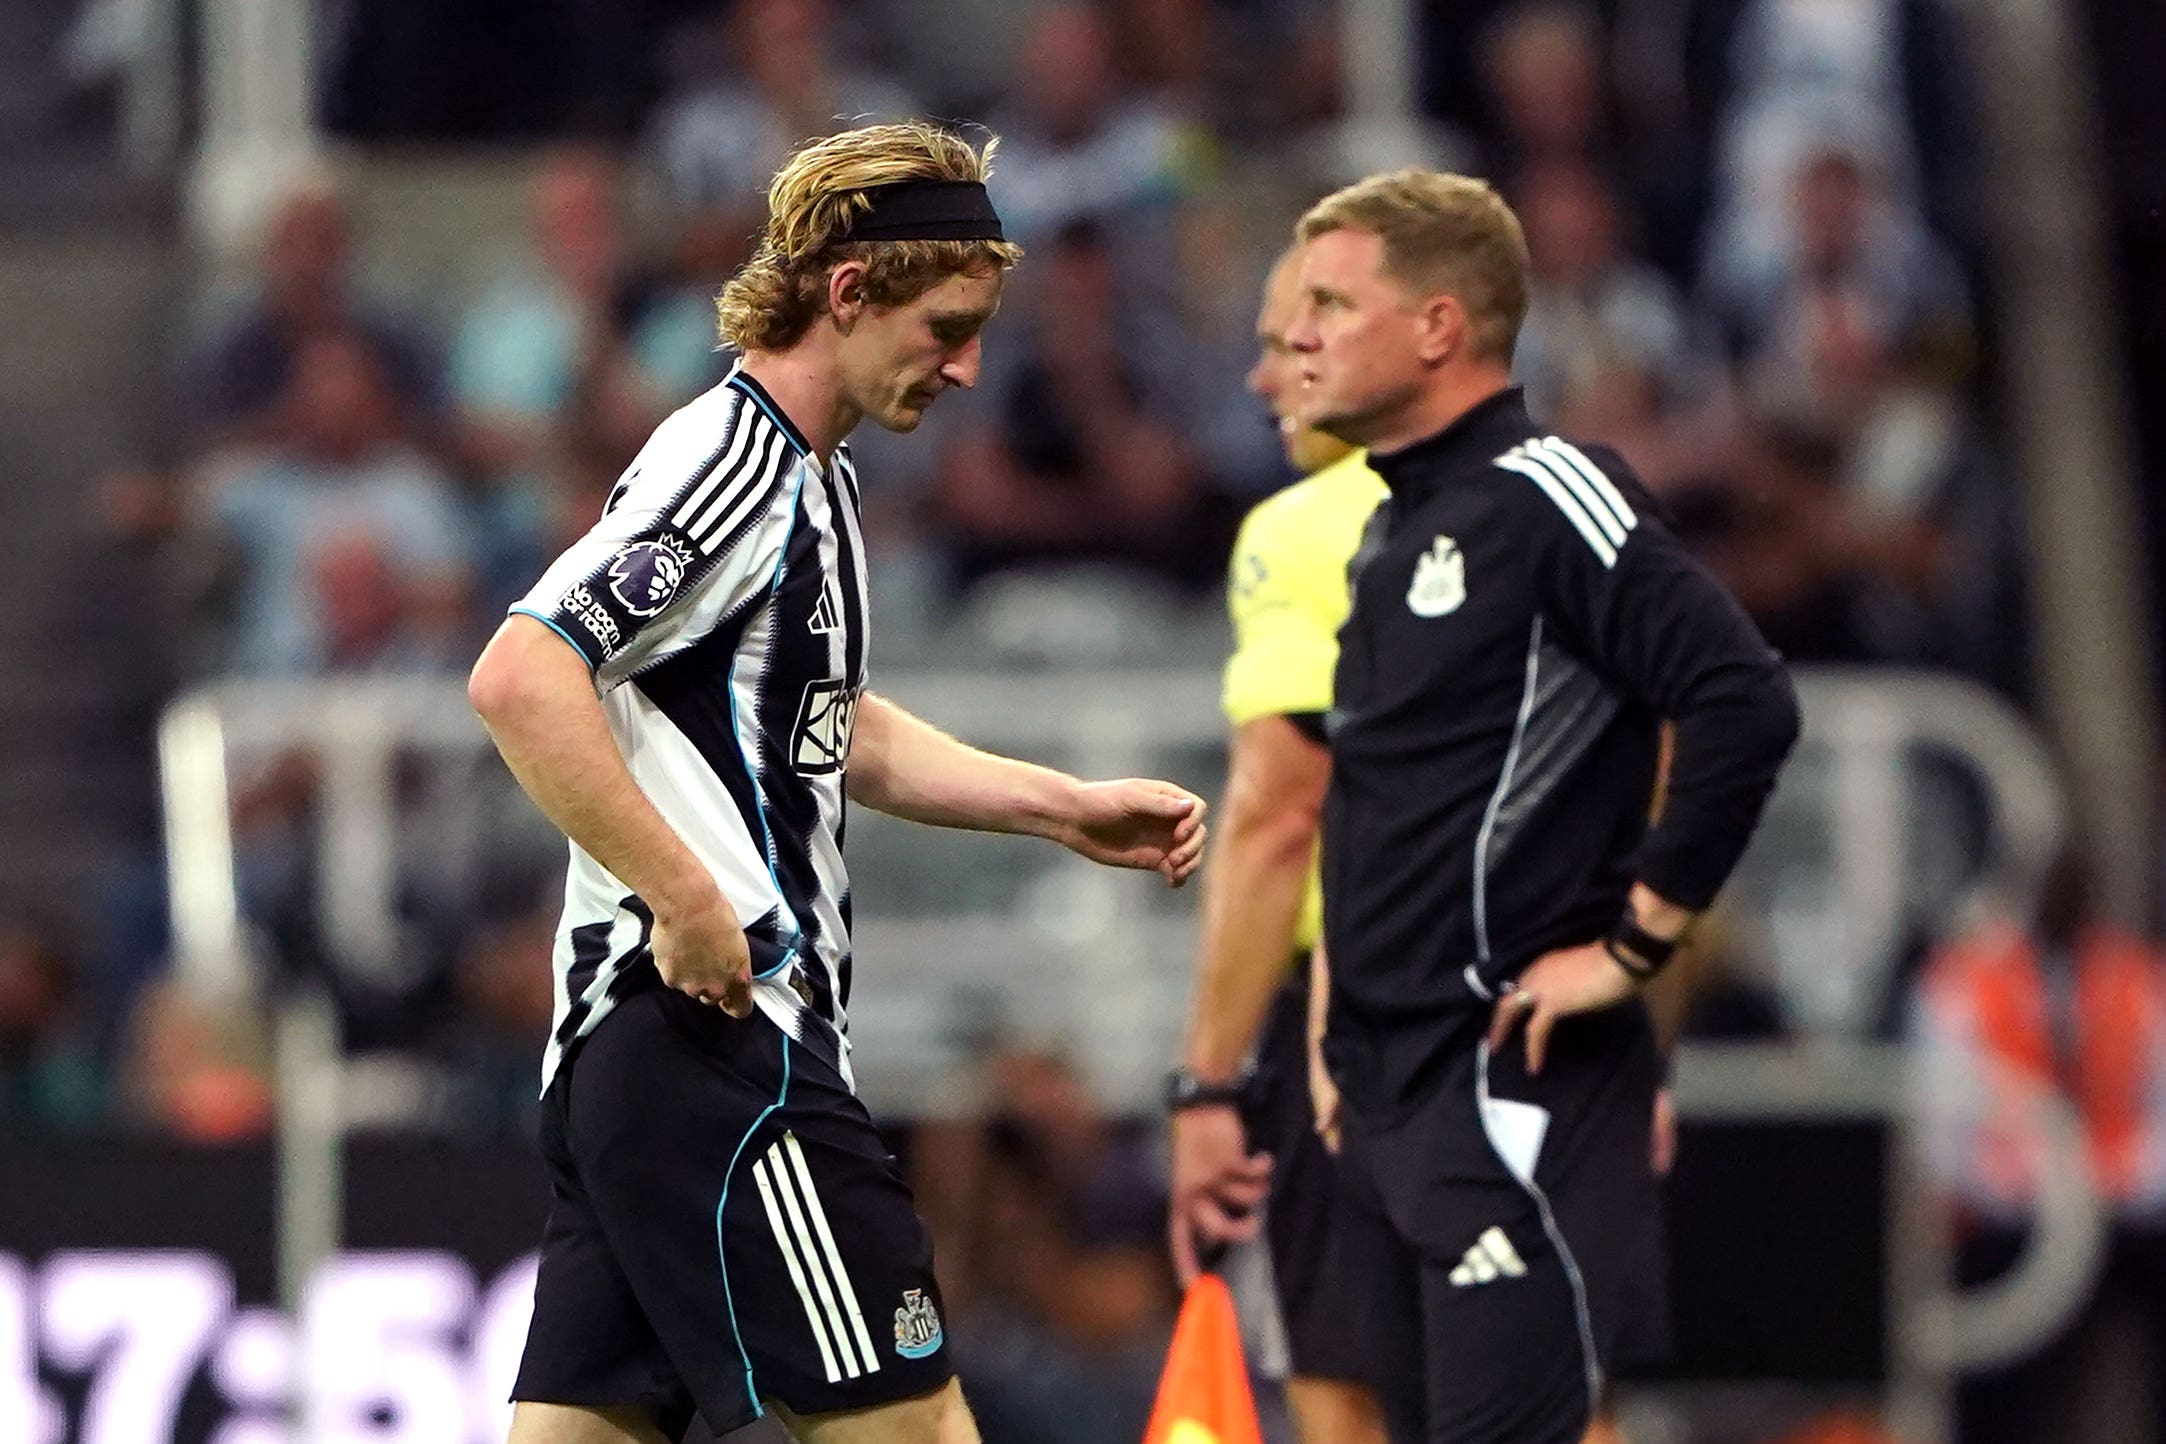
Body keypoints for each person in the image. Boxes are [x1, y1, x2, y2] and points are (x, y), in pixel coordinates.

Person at [467, 123, 1211, 1444]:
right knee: (917, 1431)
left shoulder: (808, 479)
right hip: (719, 1045)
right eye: (947, 323)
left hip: (633, 1060)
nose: (969, 365)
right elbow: (524, 675)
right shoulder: (737, 468)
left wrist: (1059, 805)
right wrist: (685, 894)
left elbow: (825, 730)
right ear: (852, 290)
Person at [1287, 170, 1799, 1442]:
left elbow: (1742, 699)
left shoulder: (1551, 489)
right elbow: (1380, 812)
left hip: (1511, 1080)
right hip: (1390, 1091)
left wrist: (1632, 947)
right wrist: (1333, 1020)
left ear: (1438, 328)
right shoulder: (1387, 537)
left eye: (1333, 304)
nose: (1299, 336)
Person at [1163, 243, 1392, 1444]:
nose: (1260, 384)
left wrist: (1205, 1082)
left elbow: (1280, 815)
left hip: (1359, 1021)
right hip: (1548, 1018)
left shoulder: (1306, 531)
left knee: (1340, 1380)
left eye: (1286, 349)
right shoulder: (1567, 506)